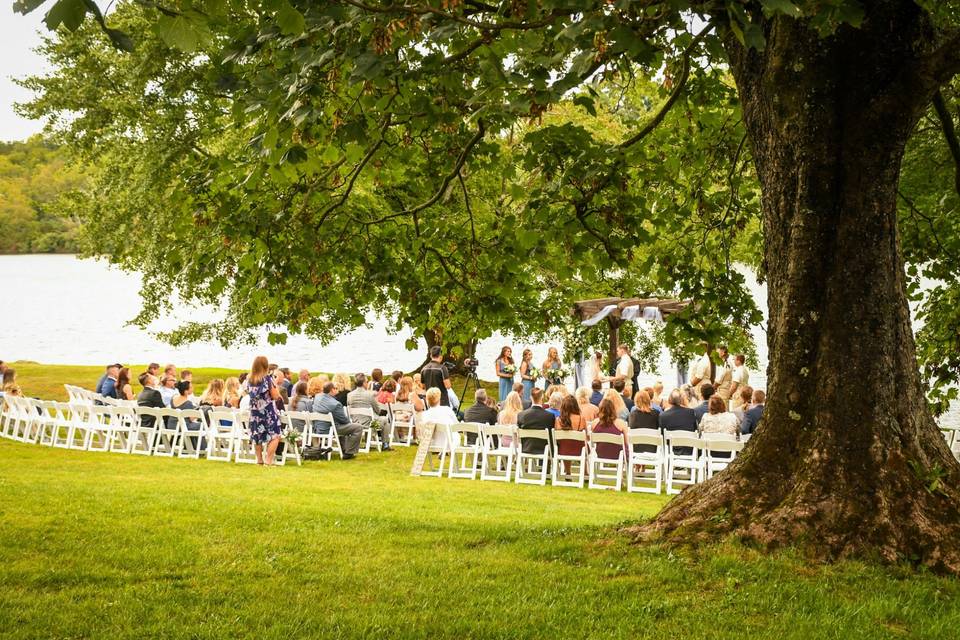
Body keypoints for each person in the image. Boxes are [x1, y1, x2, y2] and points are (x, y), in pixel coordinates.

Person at [311, 381, 363, 458]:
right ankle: (349, 453)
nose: (336, 390)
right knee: (358, 427)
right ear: (332, 390)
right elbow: (344, 421)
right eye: (335, 388)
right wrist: (351, 423)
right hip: (330, 429)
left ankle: (344, 449)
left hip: (317, 428)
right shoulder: (336, 404)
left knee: (341, 425)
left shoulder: (317, 397)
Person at [246, 356, 282, 465]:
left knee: (257, 436)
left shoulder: (249, 379)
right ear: (266, 366)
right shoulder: (267, 379)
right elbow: (275, 396)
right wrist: (275, 385)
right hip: (268, 412)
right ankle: (268, 461)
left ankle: (259, 460)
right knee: (275, 435)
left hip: (255, 412)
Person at [347, 373, 391, 450]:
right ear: (364, 383)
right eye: (367, 382)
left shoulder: (350, 395)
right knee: (385, 420)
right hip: (370, 424)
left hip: (355, 422)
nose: (367, 383)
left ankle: (369, 442)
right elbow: (378, 410)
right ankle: (385, 444)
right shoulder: (369, 395)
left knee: (370, 418)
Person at [659, 388, 698, 455]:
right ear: (682, 399)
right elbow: (695, 430)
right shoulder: (691, 413)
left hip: (670, 450)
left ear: (670, 399)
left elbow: (662, 435)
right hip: (688, 449)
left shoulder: (663, 415)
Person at [516, 387, 555, 454]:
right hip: (544, 449)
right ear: (542, 397)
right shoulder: (549, 416)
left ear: (531, 397)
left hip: (526, 448)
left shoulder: (521, 415)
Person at [555, 395, 587, 473]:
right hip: (579, 449)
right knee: (579, 444)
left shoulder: (558, 420)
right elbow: (585, 435)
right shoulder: (581, 418)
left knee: (565, 443)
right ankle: (585, 472)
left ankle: (568, 471)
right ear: (575, 406)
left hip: (563, 450)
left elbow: (557, 438)